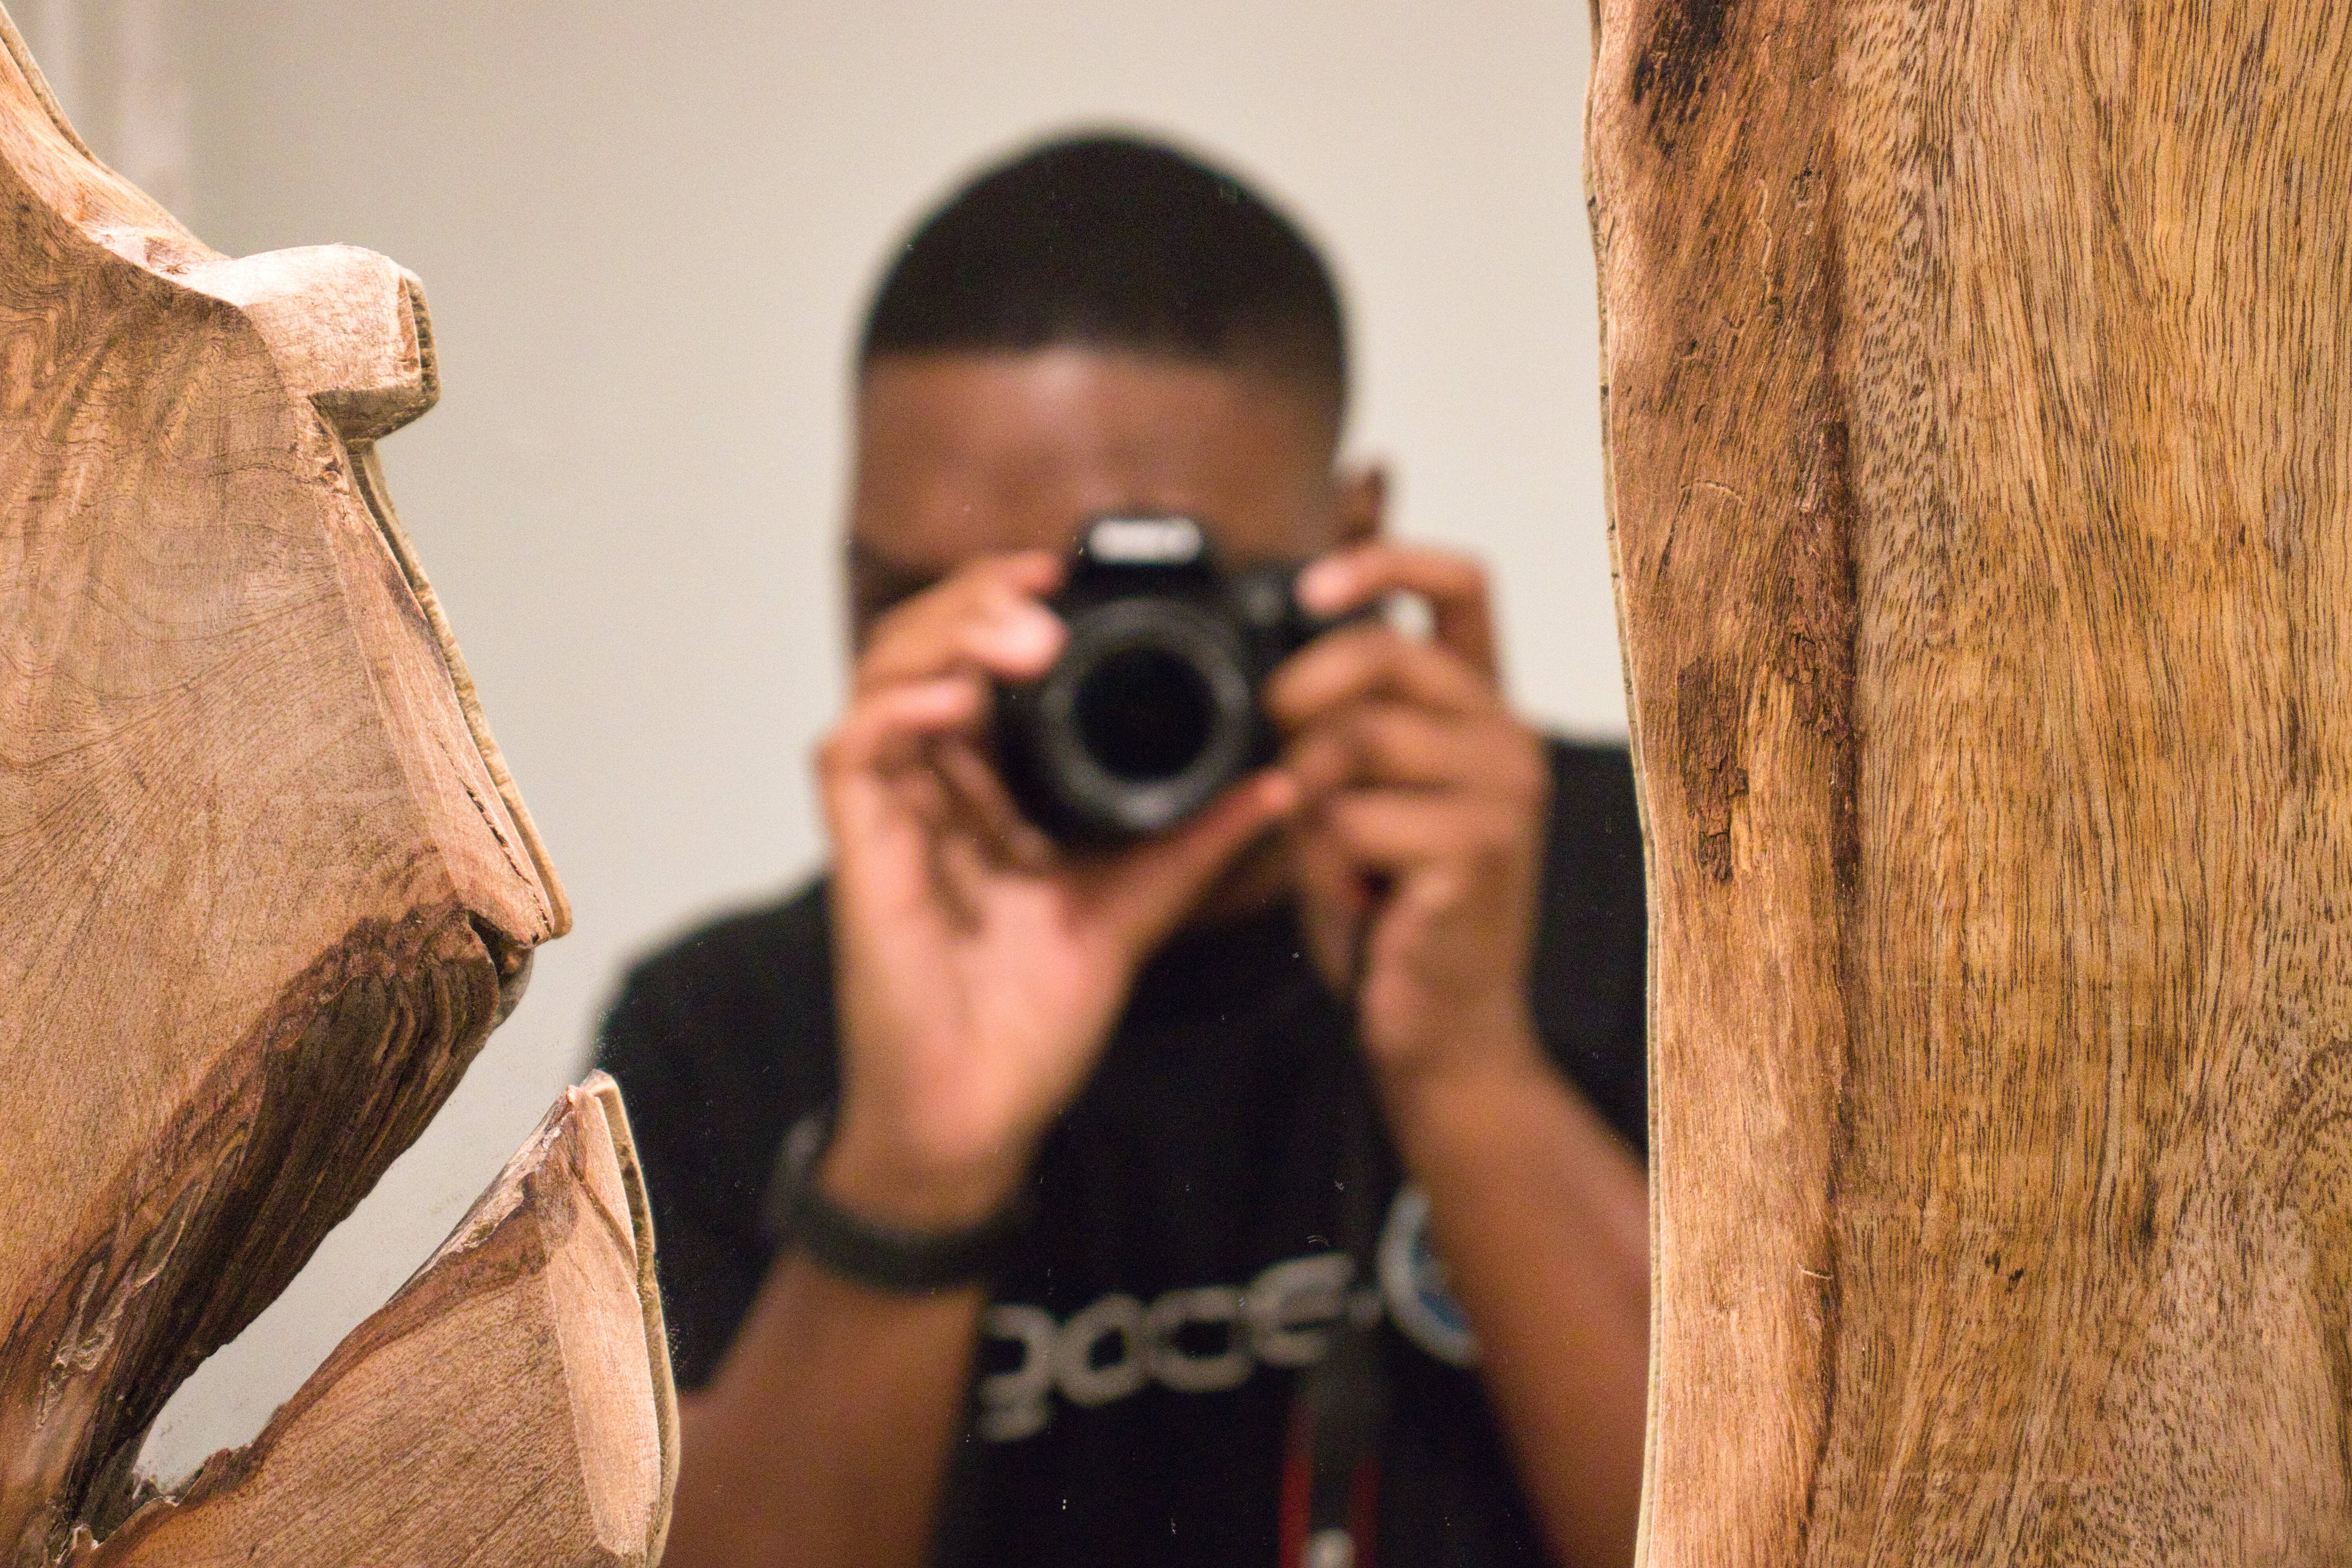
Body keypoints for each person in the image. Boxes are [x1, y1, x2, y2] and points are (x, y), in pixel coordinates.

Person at [597, 134, 1650, 1568]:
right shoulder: (728, 1027)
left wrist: (1466, 1064)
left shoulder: (1659, 890)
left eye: (1141, 605)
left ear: (1352, 546)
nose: (1047, 684)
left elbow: (1822, 1526)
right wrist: (912, 1166)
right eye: (933, 602)